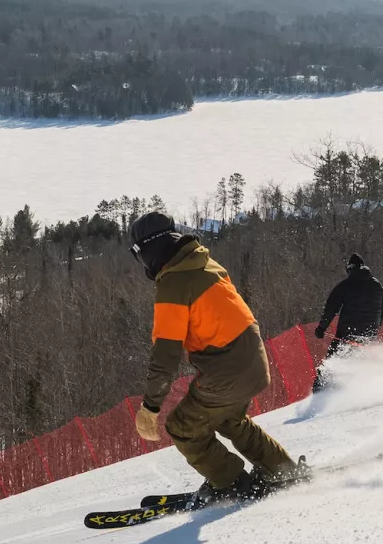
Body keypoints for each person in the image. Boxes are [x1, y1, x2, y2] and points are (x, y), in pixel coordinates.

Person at [127, 212, 300, 502]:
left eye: (137, 253)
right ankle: (280, 469)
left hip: (227, 371)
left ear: (148, 249)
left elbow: (166, 353)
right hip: (254, 361)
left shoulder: (174, 282)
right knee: (230, 419)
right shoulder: (205, 263)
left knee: (182, 427)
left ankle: (231, 481)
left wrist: (150, 406)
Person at [311, 254, 383, 390]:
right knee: (359, 362)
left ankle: (320, 392)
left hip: (347, 335)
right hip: (369, 336)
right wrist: (374, 328)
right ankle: (360, 390)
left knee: (331, 363)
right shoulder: (376, 285)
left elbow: (331, 309)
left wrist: (321, 329)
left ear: (350, 269)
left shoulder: (345, 285)